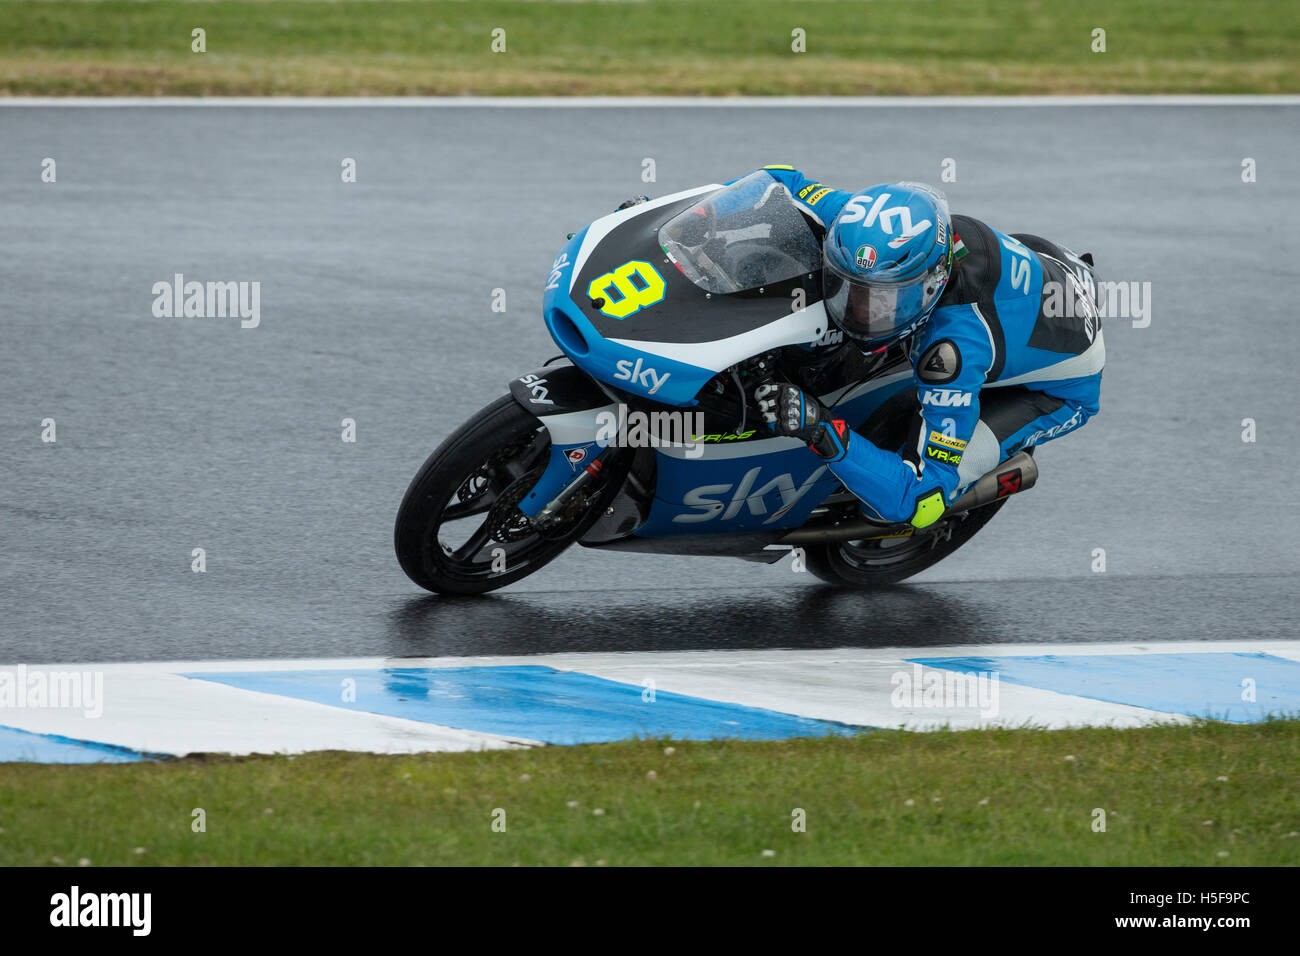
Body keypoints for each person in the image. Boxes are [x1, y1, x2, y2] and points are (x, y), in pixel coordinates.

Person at [746, 166, 1105, 528]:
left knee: (918, 508)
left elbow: (918, 493)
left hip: (1057, 390)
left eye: (883, 300)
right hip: (1035, 272)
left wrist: (820, 429)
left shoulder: (952, 352)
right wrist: (701, 218)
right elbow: (780, 180)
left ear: (931, 285)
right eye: (849, 287)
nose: (859, 309)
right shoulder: (858, 221)